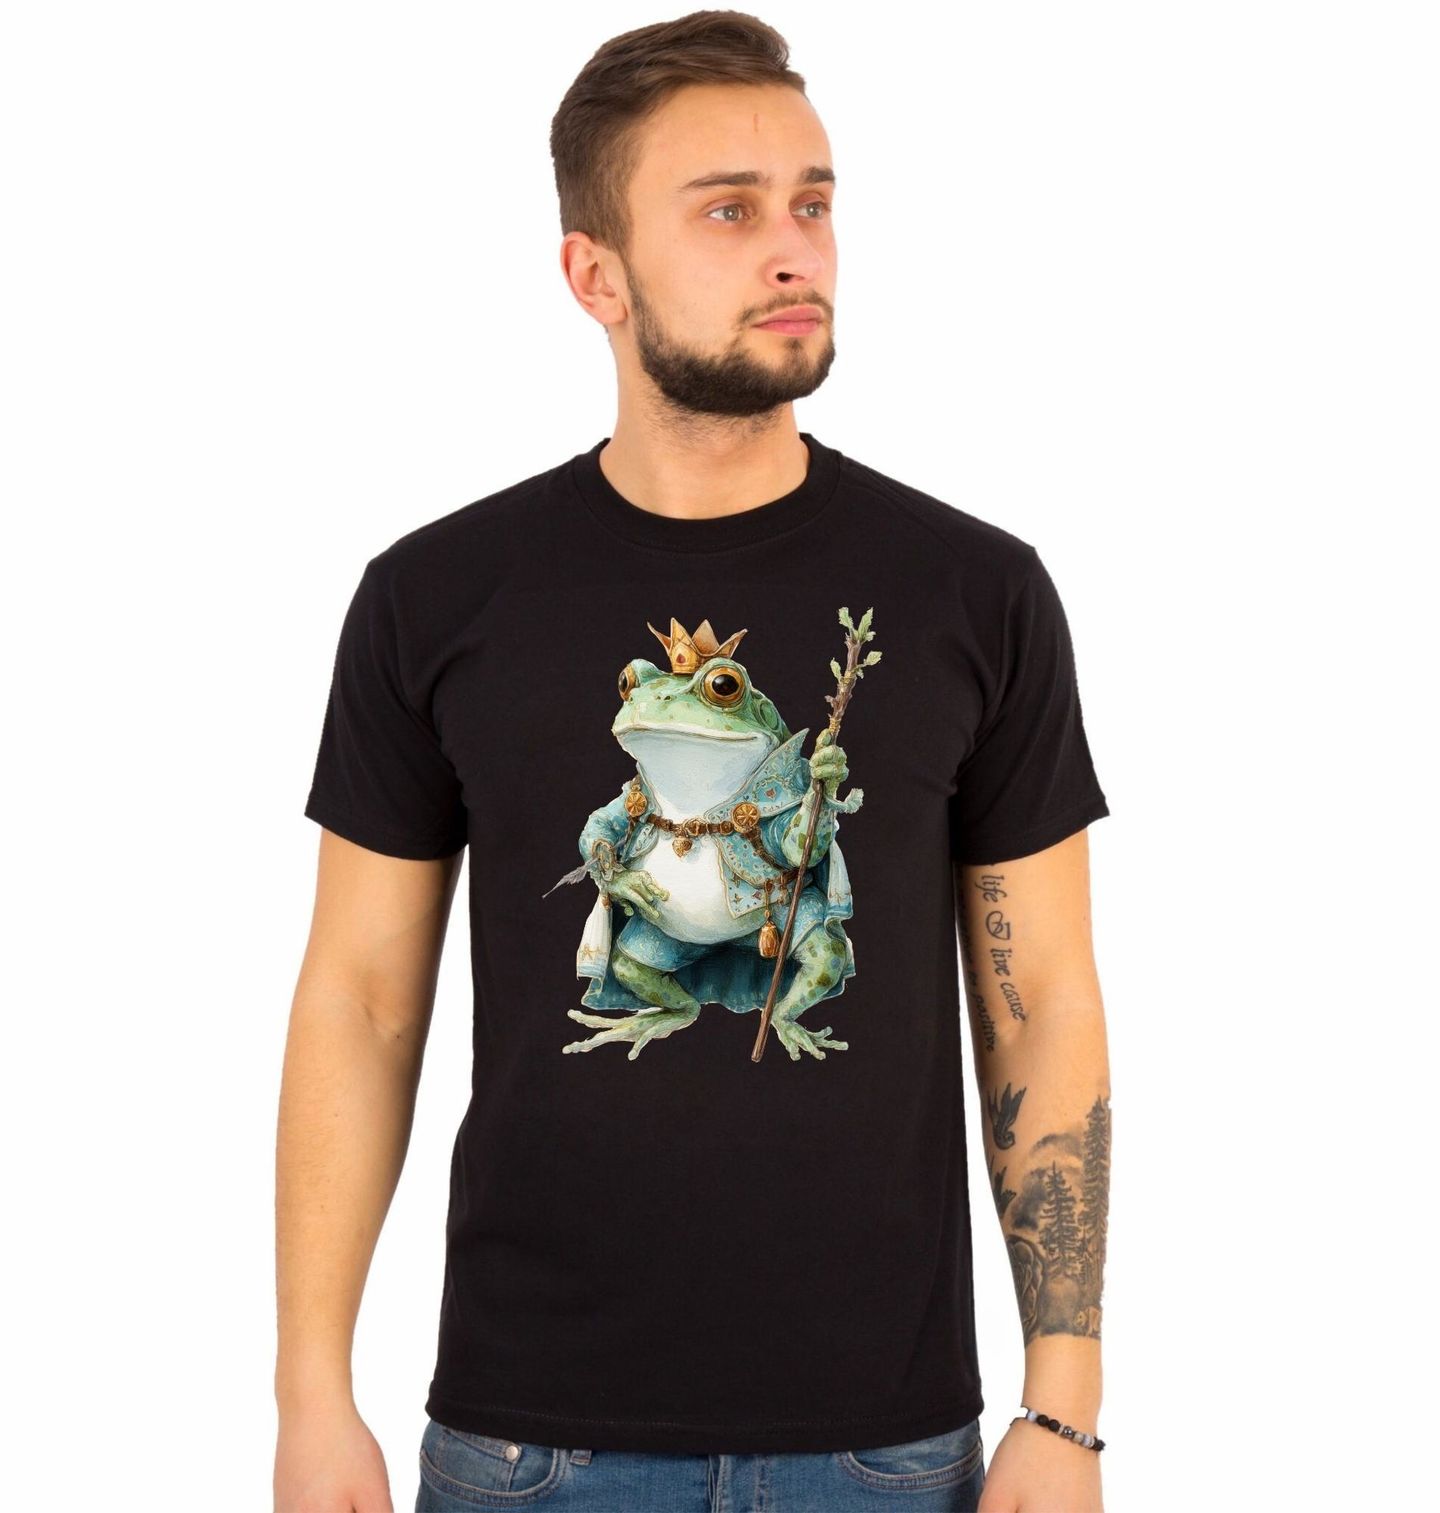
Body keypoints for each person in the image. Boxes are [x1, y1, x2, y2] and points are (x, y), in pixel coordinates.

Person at [273, 12, 1112, 1513]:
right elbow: (361, 1000)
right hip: (530, 1438)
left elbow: (1039, 994)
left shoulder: (973, 592)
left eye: (813, 201)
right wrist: (310, 1392)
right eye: (729, 211)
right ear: (595, 274)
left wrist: (1066, 1411)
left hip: (885, 1440)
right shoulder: (437, 596)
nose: (794, 250)